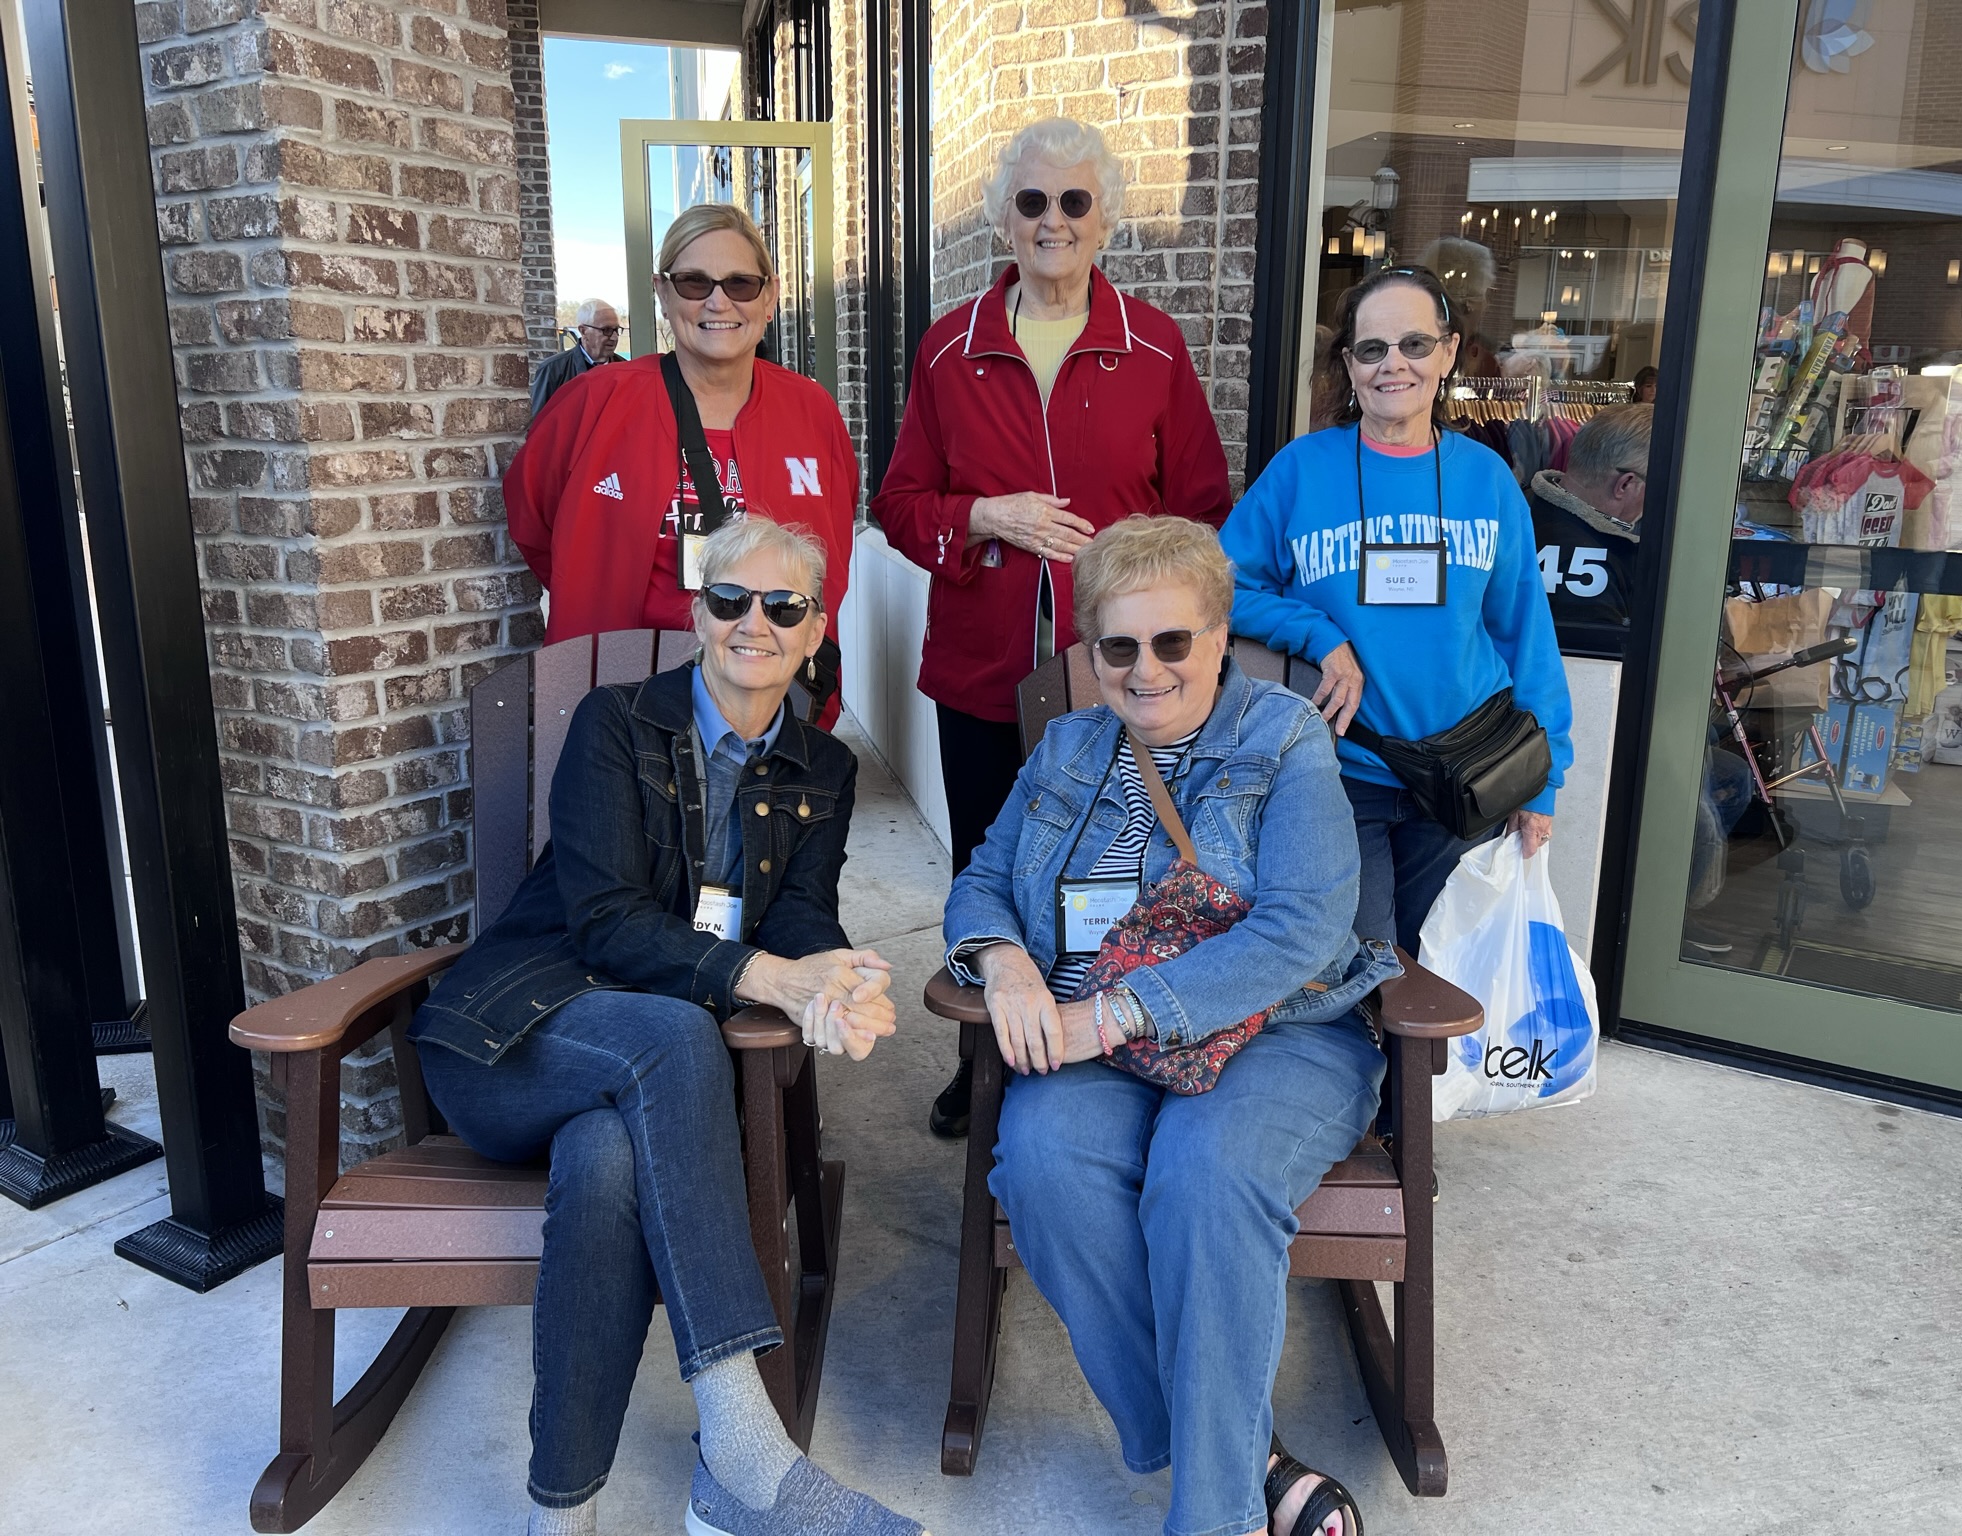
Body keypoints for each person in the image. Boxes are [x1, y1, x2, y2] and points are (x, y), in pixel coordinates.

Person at [408, 518, 927, 1536]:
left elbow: (800, 913)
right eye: (730, 598)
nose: (753, 622)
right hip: (511, 1038)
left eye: (782, 605)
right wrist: (767, 978)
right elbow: (605, 921)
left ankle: (560, 1516)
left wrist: (830, 976)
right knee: (676, 1037)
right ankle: (746, 1456)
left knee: (605, 1162)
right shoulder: (615, 724)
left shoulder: (821, 768)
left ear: (814, 630)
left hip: (634, 1091)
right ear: (698, 613)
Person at [943, 516, 1398, 1536]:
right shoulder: (1067, 747)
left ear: (1220, 637)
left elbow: (1303, 927)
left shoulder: (1283, 737)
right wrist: (1004, 963)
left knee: (1206, 1177)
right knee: (1043, 1164)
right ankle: (1247, 1459)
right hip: (1093, 1039)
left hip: (1275, 1031)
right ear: (1091, 650)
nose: (1145, 671)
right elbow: (981, 879)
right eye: (1118, 646)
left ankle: (1214, 1514)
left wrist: (1109, 1016)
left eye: (1172, 641)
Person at [872, 115, 1232, 1138]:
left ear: (1104, 218)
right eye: (1032, 201)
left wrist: (1138, 577)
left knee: (1123, 866)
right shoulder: (949, 346)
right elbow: (899, 505)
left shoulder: (1152, 344)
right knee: (986, 866)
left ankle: (1110, 1048)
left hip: (1124, 673)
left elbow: (1201, 506)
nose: (1053, 221)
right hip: (983, 667)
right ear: (1003, 217)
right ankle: (979, 1059)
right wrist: (985, 515)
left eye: (1074, 201)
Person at [1223, 264, 1573, 958]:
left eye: (1415, 344)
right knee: (1358, 968)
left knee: (1435, 967)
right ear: (1349, 364)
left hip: (1466, 774)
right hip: (1339, 771)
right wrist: (1316, 632)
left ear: (1448, 352)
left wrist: (1545, 780)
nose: (1394, 365)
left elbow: (1525, 633)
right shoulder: (1301, 470)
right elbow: (1218, 588)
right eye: (1371, 349)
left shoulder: (1486, 479)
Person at [504, 205, 856, 703]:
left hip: (766, 693)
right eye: (694, 282)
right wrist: (593, 589)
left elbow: (830, 554)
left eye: (740, 284)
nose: (718, 302)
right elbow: (532, 518)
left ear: (770, 297)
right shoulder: (596, 403)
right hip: (617, 692)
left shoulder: (811, 411)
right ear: (663, 293)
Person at [1526, 401, 1654, 659]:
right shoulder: (1596, 561)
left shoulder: (1515, 508)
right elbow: (1604, 667)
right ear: (1625, 485)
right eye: (1656, 486)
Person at [530, 297, 622, 417]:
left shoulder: (624, 370)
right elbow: (538, 422)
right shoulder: (553, 370)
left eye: (616, 330)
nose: (614, 337)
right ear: (583, 331)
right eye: (607, 330)